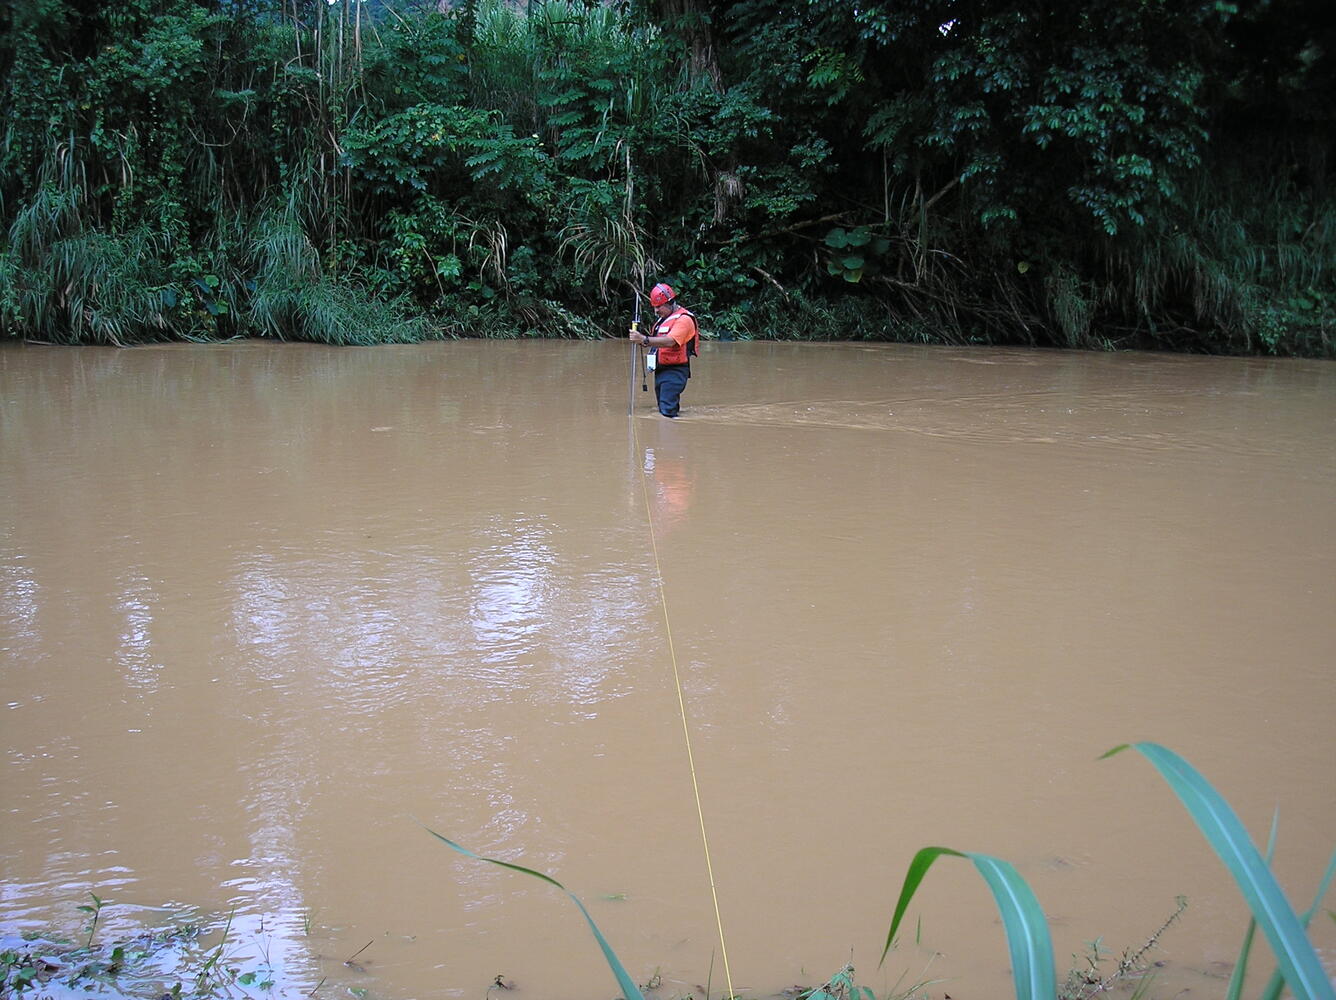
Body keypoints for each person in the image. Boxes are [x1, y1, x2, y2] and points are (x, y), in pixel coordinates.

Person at [630, 283, 699, 418]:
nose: (655, 311)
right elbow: (656, 342)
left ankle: (670, 429)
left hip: (675, 371)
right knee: (664, 407)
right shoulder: (663, 320)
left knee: (667, 411)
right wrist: (642, 341)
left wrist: (644, 339)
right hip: (661, 369)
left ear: (669, 303)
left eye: (658, 307)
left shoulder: (684, 320)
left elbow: (670, 341)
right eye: (654, 307)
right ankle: (668, 425)